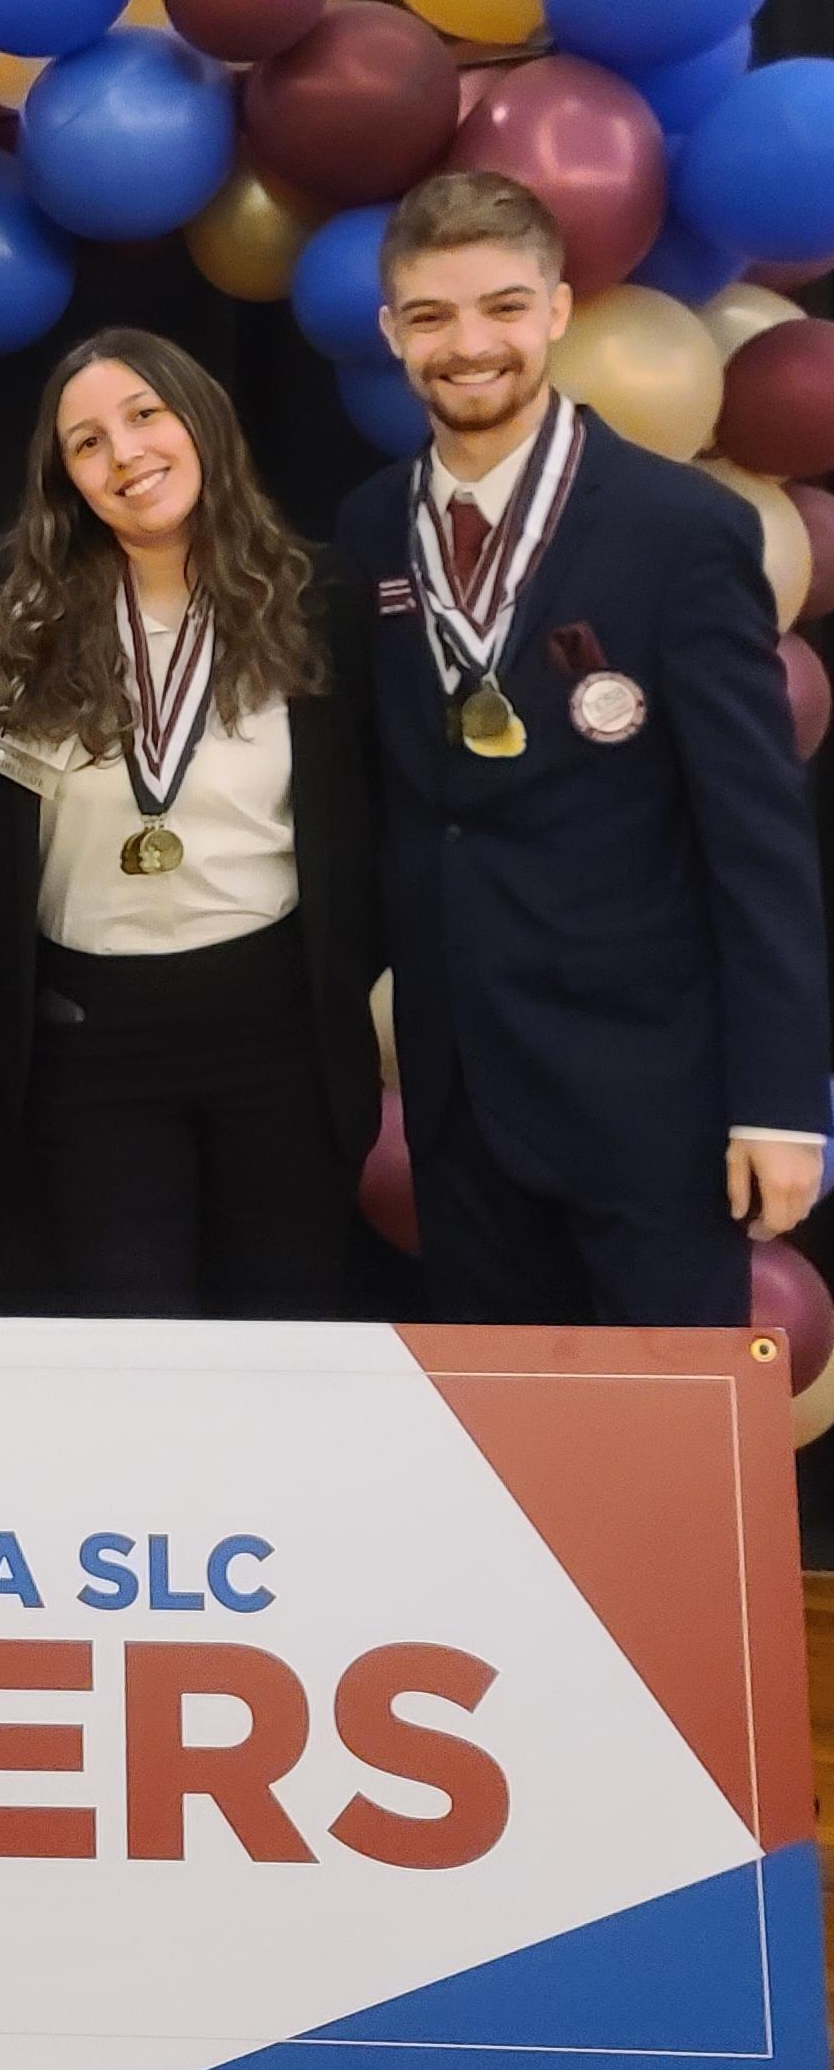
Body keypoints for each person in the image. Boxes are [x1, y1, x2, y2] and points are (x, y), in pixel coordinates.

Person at [336, 169, 827, 1324]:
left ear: (557, 310)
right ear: (389, 331)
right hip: (456, 1104)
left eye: (502, 307)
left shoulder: (681, 528)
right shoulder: (367, 528)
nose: (468, 345)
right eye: (430, 315)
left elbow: (758, 838)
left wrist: (777, 1103)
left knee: (660, 1467)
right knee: (504, 1472)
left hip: (649, 1104)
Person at [0, 328, 378, 1317]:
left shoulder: (316, 597)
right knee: (129, 1356)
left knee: (285, 1342)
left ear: (200, 420)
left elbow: (374, 816)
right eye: (85, 442)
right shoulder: (16, 617)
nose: (122, 456)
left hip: (275, 1034)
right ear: (65, 477)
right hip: (89, 1044)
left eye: (143, 416)